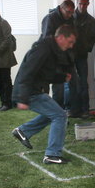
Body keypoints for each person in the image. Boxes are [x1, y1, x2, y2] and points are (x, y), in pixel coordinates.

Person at [11, 25, 76, 164]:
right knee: (60, 115)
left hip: (34, 90)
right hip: (29, 92)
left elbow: (45, 74)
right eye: (70, 42)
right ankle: (52, 155)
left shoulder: (50, 49)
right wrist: (22, 98)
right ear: (60, 38)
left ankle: (23, 131)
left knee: (54, 114)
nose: (71, 46)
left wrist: (61, 77)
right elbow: (27, 71)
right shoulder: (42, 48)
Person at [39, 0, 75, 108]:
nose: (69, 15)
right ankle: (56, 113)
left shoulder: (70, 19)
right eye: (68, 12)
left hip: (65, 58)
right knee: (57, 89)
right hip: (52, 58)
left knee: (70, 85)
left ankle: (63, 111)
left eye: (71, 12)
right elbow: (46, 39)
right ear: (61, 8)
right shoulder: (50, 18)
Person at [70, 0, 95, 118]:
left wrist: (87, 48)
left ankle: (85, 110)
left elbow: (93, 37)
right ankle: (73, 110)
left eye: (85, 4)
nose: (82, 6)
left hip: (82, 54)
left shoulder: (91, 20)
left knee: (83, 82)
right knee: (71, 82)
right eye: (81, 3)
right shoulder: (70, 17)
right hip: (70, 54)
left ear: (88, 4)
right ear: (77, 3)